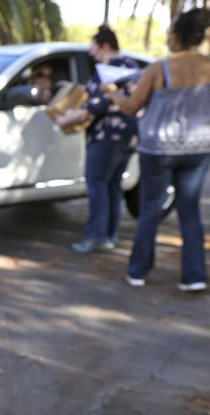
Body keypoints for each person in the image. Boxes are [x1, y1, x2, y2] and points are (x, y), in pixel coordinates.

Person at [103, 7, 210, 291]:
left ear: (176, 37)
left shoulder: (159, 68)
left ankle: (138, 272)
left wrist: (111, 90)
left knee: (149, 210)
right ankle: (194, 276)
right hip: (197, 149)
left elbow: (130, 107)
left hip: (158, 149)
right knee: (190, 212)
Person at [55, 25, 139, 254]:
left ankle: (95, 237)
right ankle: (109, 235)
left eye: (93, 48)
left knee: (97, 183)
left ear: (105, 46)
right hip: (128, 138)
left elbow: (93, 106)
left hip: (108, 136)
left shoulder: (108, 69)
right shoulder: (130, 66)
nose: (91, 54)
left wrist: (64, 120)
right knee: (111, 185)